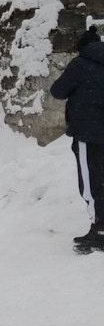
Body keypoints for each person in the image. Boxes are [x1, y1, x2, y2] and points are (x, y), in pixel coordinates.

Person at [50, 24, 104, 253]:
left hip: (87, 133)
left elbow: (57, 91)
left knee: (91, 182)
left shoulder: (80, 65)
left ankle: (100, 229)